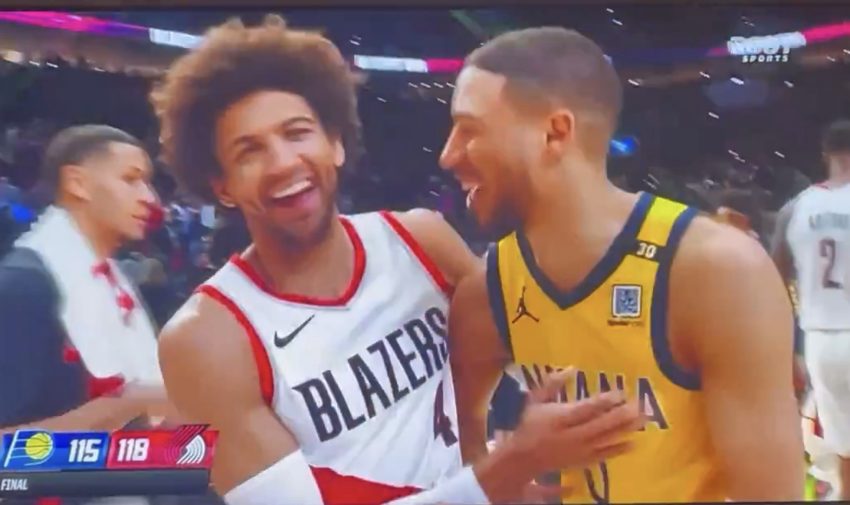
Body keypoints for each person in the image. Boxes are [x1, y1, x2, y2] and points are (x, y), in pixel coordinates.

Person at [152, 16, 642, 505]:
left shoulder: (421, 240)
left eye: (297, 133)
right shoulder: (207, 339)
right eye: (249, 152)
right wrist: (510, 466)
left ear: (335, 143)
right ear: (222, 186)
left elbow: (534, 356)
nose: (283, 162)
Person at [440, 27, 804, 502]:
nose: (448, 155)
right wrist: (512, 481)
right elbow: (462, 441)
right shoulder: (488, 291)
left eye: (470, 130)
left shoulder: (716, 271)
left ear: (555, 132)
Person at [0, 125, 174, 504]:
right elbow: (5, 460)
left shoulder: (113, 280)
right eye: (131, 180)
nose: (150, 198)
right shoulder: (25, 286)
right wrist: (125, 404)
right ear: (77, 183)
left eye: (148, 183)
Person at [772, 119, 850, 500]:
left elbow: (773, 282)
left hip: (820, 339)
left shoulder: (795, 207)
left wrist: (786, 350)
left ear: (825, 155)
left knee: (844, 443)